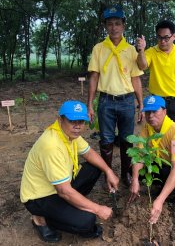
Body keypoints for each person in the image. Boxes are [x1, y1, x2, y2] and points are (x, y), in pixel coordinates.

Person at [20, 100, 119, 243]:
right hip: (40, 197)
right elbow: (64, 191)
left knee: (95, 167)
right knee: (88, 222)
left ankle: (68, 207)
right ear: (60, 120)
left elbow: (89, 153)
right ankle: (40, 219)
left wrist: (108, 171)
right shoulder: (51, 145)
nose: (77, 126)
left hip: (59, 186)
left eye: (81, 121)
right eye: (72, 121)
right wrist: (98, 209)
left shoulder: (70, 134)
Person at [88, 6, 144, 187]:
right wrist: (89, 104)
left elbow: (136, 79)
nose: (114, 28)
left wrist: (140, 104)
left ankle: (126, 173)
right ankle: (108, 173)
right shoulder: (99, 49)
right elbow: (94, 76)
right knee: (106, 140)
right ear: (105, 26)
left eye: (118, 24)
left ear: (124, 26)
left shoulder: (131, 50)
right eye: (110, 24)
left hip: (127, 101)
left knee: (128, 140)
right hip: (106, 101)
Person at [129, 95, 175, 223]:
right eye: (147, 112)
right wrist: (135, 180)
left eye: (155, 111)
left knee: (165, 171)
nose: (150, 116)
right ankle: (167, 187)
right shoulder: (147, 128)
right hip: (165, 161)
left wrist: (160, 200)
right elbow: (140, 156)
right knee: (134, 170)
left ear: (164, 111)